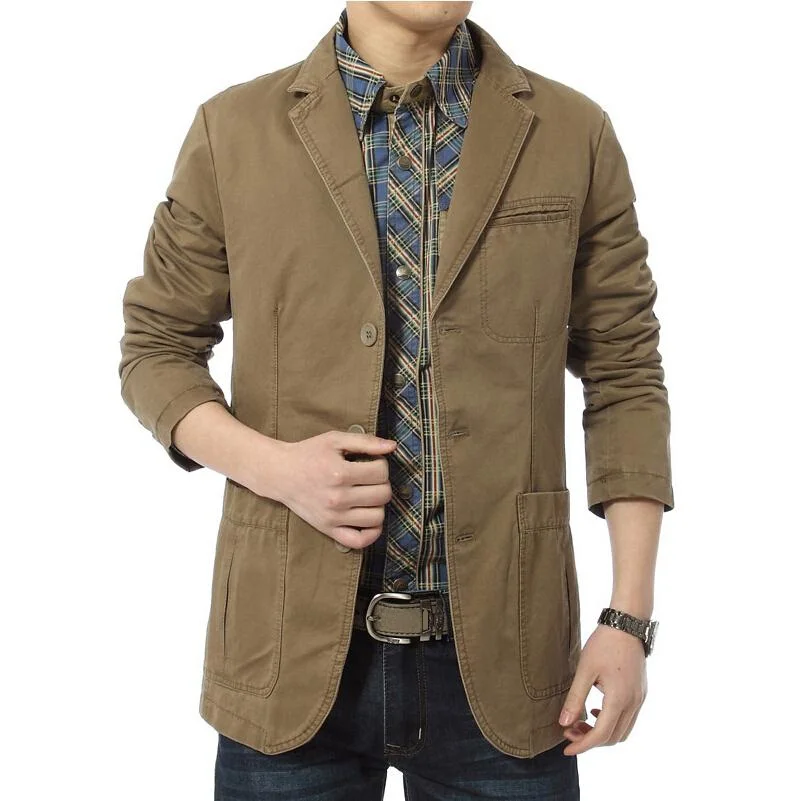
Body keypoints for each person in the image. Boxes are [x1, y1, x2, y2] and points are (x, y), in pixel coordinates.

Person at [118, 2, 674, 798]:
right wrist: (275, 469)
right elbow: (156, 346)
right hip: (285, 652)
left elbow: (624, 370)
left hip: (508, 658)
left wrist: (627, 618)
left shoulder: (570, 131)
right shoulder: (233, 130)